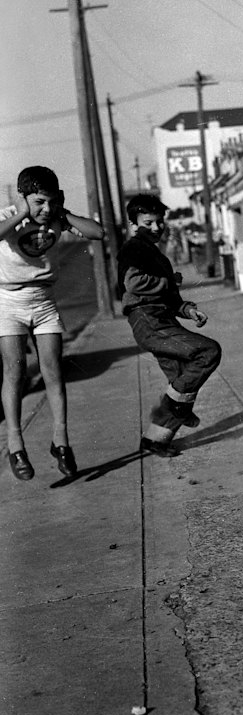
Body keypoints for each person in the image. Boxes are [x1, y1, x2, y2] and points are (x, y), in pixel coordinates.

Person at [0, 165, 105, 481]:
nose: (45, 210)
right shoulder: (9, 215)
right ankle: (15, 442)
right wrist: (21, 214)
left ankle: (61, 441)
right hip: (9, 302)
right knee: (15, 371)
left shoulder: (57, 217)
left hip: (44, 300)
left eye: (50, 201)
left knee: (53, 370)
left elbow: (99, 232)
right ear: (22, 198)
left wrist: (64, 213)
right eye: (38, 202)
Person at [117, 194, 221, 456]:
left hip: (161, 317)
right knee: (207, 352)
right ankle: (176, 407)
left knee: (181, 383)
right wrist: (167, 279)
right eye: (148, 222)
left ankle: (156, 439)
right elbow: (133, 283)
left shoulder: (157, 254)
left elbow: (170, 298)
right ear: (132, 225)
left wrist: (188, 309)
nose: (156, 227)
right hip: (147, 319)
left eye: (160, 222)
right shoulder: (134, 248)